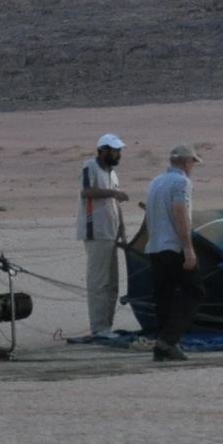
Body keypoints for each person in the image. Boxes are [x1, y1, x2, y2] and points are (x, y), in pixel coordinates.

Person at [142, 144, 203, 362]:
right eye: (192, 163)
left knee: (164, 298)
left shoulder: (156, 182)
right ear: (187, 162)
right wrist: (188, 248)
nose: (192, 167)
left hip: (155, 247)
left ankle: (163, 347)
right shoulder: (181, 182)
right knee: (194, 291)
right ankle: (169, 339)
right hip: (173, 247)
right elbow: (180, 212)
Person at [78, 133, 132, 338]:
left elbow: (115, 204)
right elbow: (86, 192)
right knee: (99, 283)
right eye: (115, 150)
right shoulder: (90, 166)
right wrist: (112, 193)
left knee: (112, 284)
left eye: (119, 151)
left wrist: (122, 229)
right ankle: (99, 328)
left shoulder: (113, 174)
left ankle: (106, 326)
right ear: (103, 151)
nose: (118, 154)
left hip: (111, 232)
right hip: (96, 231)